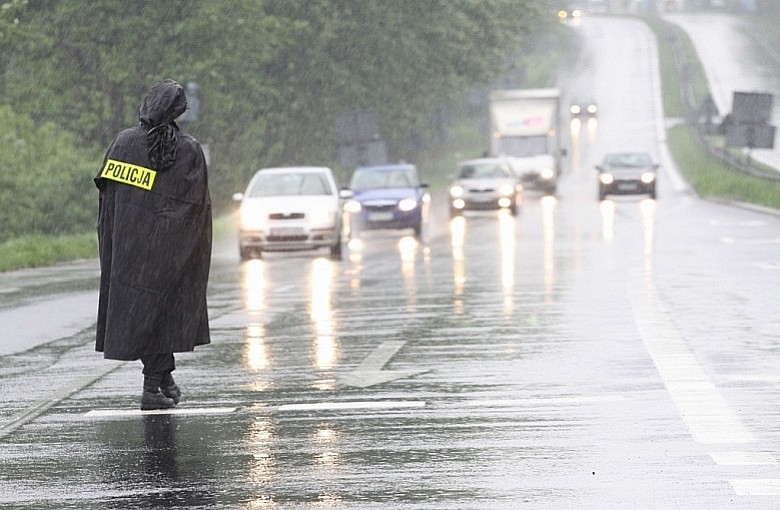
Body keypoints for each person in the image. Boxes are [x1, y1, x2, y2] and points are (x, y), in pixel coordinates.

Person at [94, 79, 212, 410]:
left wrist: (113, 242)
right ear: (179, 112)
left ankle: (162, 379)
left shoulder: (123, 144)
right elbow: (198, 206)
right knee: (165, 314)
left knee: (143, 313)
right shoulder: (189, 149)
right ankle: (152, 387)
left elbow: (108, 200)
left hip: (130, 250)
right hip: (173, 250)